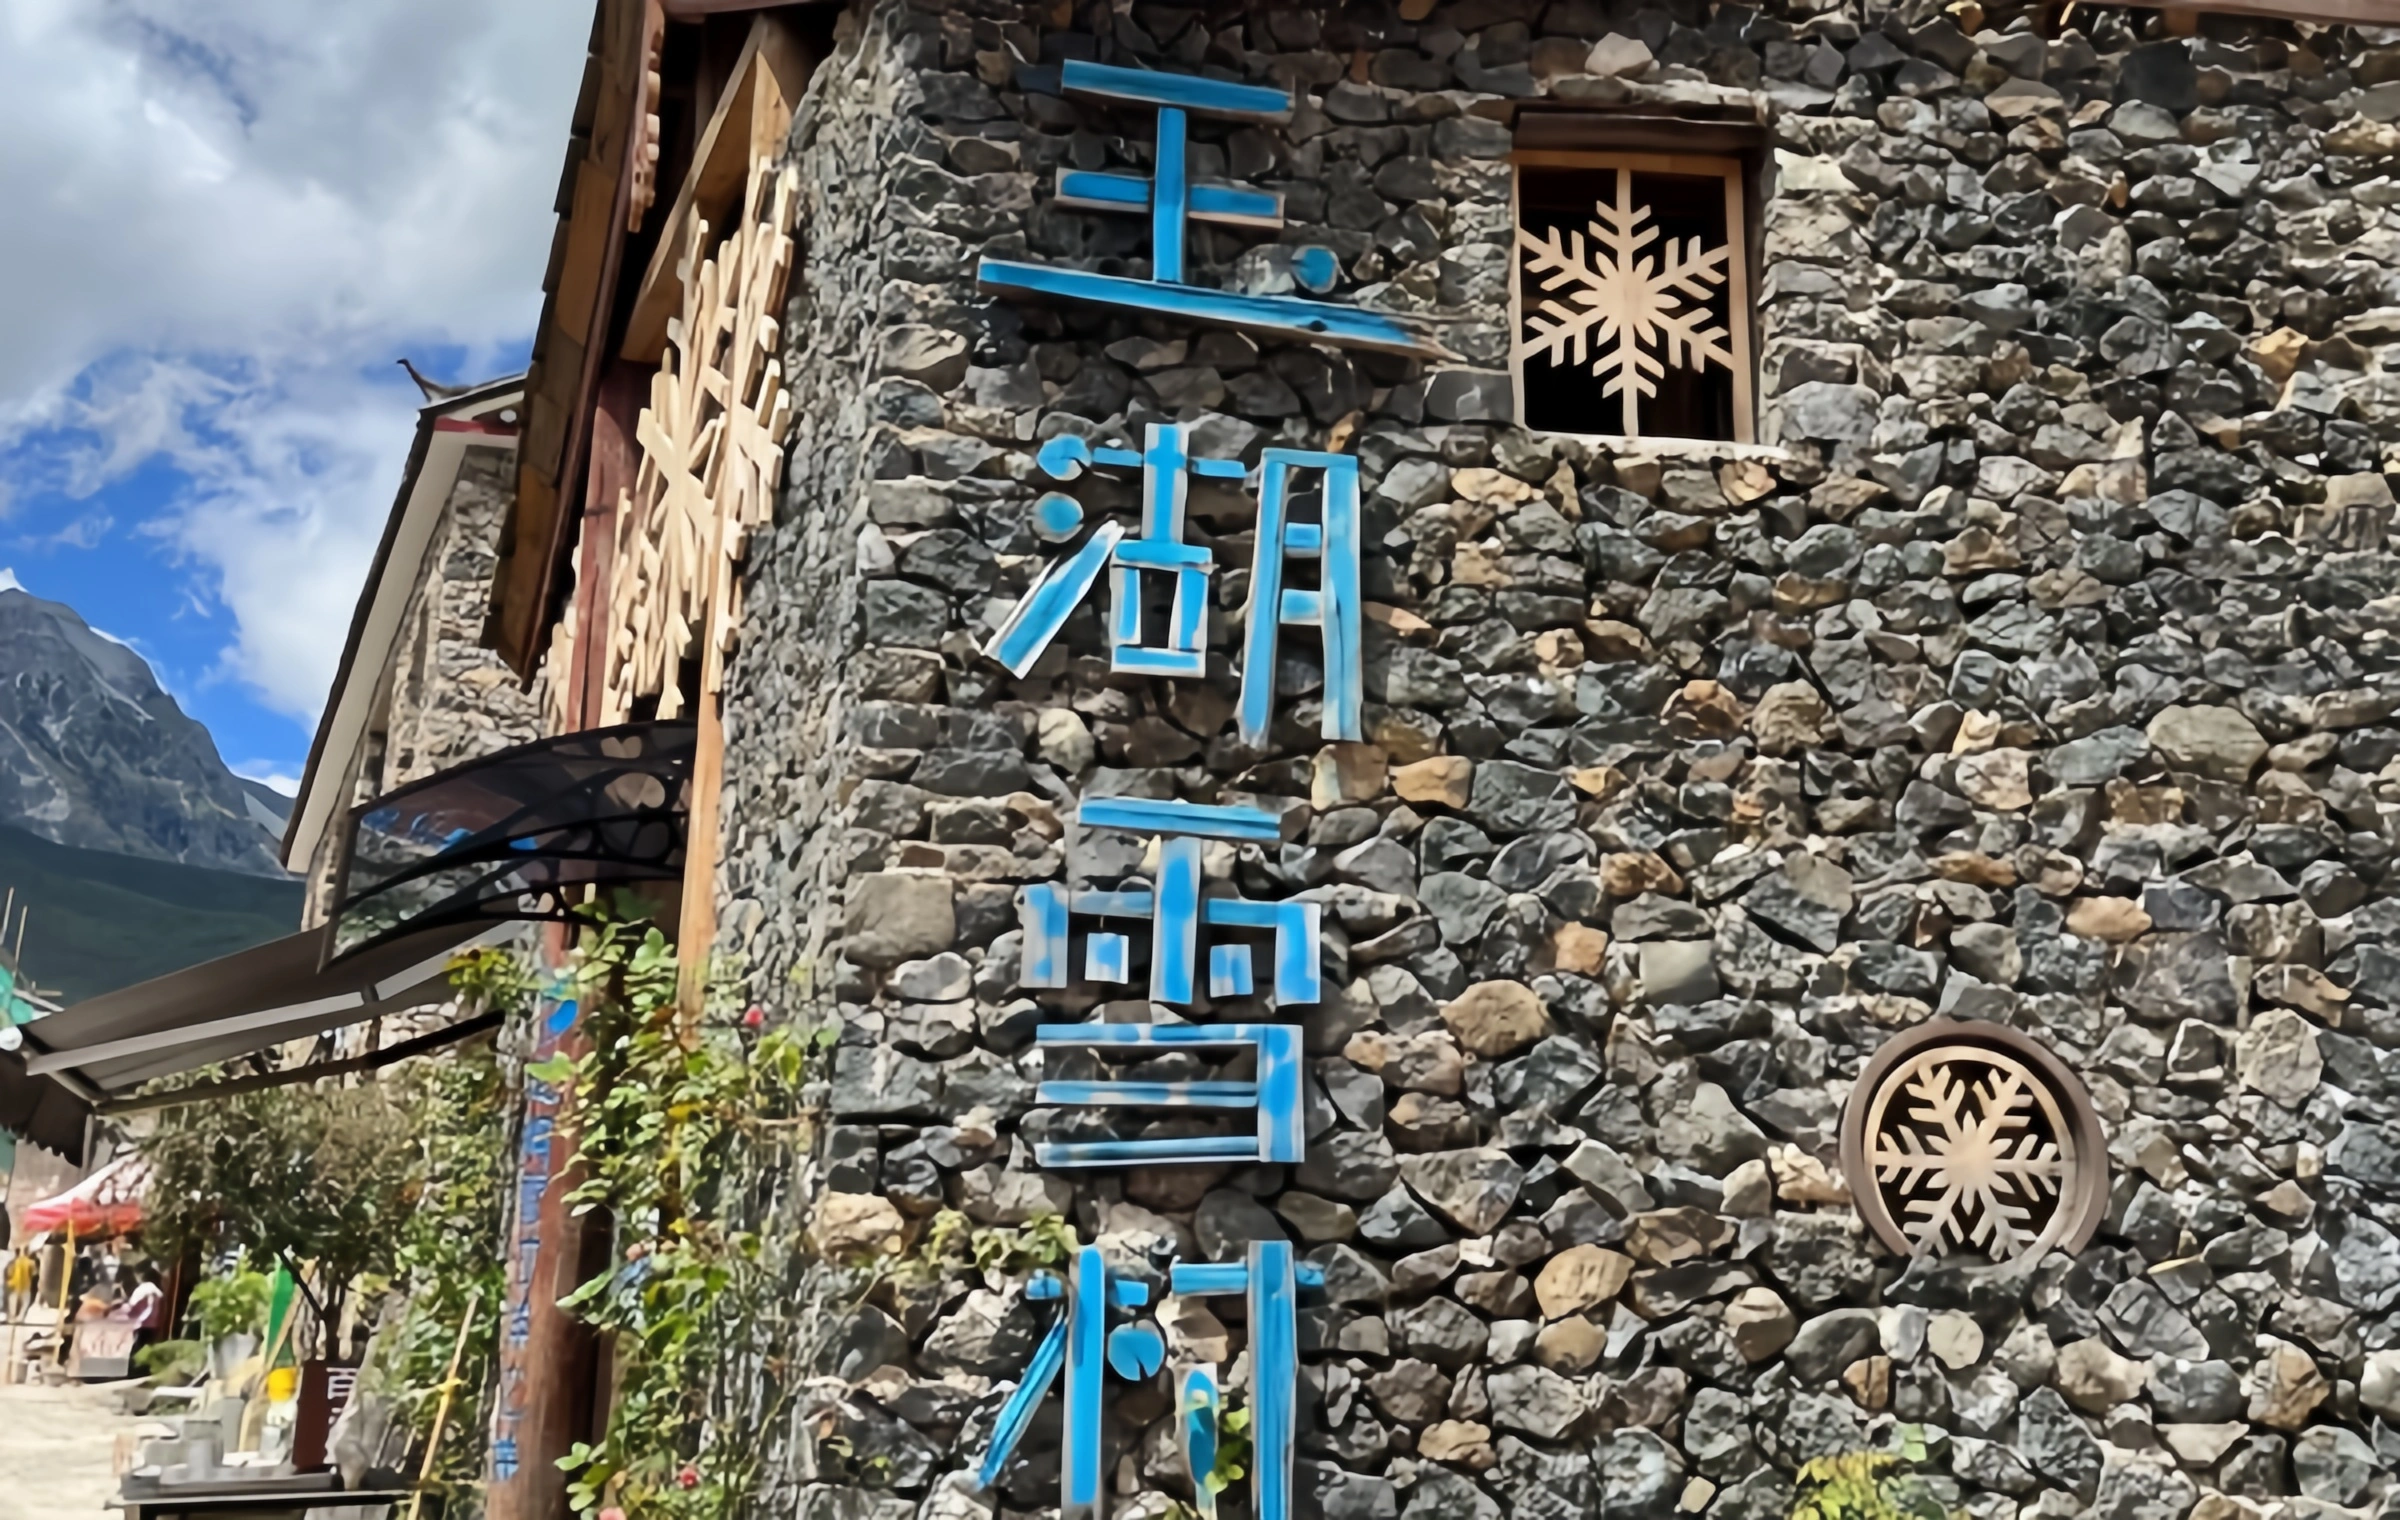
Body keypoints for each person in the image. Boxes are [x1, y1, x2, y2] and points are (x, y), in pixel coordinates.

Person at [2, 1249, 31, 1323]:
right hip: (25, 1285)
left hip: (14, 1285)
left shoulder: (12, 1262)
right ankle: (20, 1318)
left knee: (12, 1303)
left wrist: (7, 1282)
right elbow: (33, 1273)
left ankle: (11, 1318)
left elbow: (7, 1273)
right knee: (25, 1302)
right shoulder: (29, 1262)